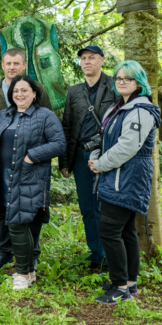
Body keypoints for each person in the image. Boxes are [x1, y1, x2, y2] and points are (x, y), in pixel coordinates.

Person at [89, 61, 160, 305]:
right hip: (117, 175)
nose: (121, 82)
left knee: (109, 231)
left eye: (127, 79)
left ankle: (119, 288)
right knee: (126, 230)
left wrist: (100, 164)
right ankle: (130, 283)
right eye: (118, 78)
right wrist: (97, 156)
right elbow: (108, 140)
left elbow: (127, 148)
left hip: (127, 178)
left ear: (139, 83)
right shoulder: (122, 106)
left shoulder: (140, 110)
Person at [0, 48, 54, 270]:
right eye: (8, 63)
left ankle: (31, 253)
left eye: (16, 63)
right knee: (3, 206)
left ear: (24, 66)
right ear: (2, 65)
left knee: (30, 207)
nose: (12, 67)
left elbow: (50, 127)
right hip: (1, 164)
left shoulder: (38, 88)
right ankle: (5, 251)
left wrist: (36, 156)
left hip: (30, 165)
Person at [0, 76, 65, 290]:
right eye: (16, 91)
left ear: (35, 94)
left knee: (19, 224)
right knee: (17, 222)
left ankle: (23, 274)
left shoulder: (45, 116)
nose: (19, 94)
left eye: (25, 90)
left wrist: (30, 156)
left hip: (30, 177)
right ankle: (30, 272)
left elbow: (59, 143)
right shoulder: (3, 115)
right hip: (4, 177)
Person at [59, 45, 115, 270]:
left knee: (107, 206)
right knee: (87, 207)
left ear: (102, 60)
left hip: (108, 156)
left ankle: (112, 255)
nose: (87, 62)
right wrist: (65, 161)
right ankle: (96, 254)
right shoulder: (74, 91)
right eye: (83, 58)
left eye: (92, 58)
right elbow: (67, 126)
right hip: (81, 156)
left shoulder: (114, 86)